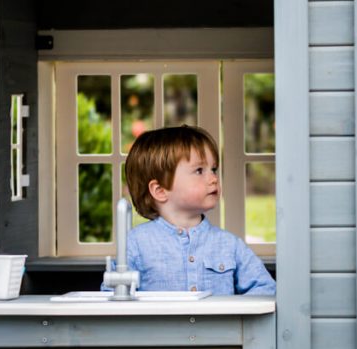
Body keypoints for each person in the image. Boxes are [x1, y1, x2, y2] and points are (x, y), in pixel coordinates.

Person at [118, 125, 275, 296]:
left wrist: (235, 317)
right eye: (199, 170)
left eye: (213, 169)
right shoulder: (135, 244)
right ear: (160, 190)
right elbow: (113, 301)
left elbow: (266, 289)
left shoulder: (230, 245)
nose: (214, 178)